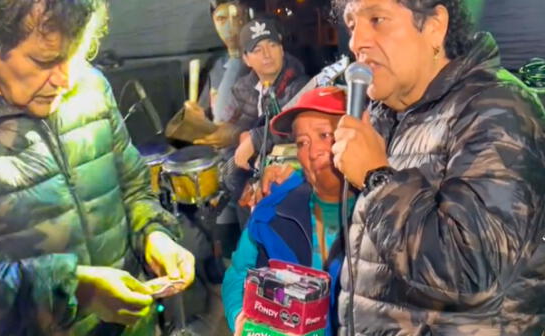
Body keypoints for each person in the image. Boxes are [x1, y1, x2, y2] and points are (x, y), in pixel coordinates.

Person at [0, 1, 195, 335]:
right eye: (45, 60)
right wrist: (73, 289)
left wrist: (153, 234)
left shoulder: (89, 85)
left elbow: (133, 189)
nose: (66, 78)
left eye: (77, 53)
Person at [328, 0, 545, 333]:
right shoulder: (390, 118)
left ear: (433, 26)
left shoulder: (498, 110)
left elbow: (470, 271)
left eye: (377, 19)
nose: (357, 42)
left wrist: (375, 178)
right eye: (352, 23)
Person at [222, 87, 354, 336]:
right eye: (302, 142)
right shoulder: (272, 210)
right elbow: (239, 273)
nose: (313, 152)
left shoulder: (384, 209)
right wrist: (241, 317)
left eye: (326, 135)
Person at [196, 17, 309, 215]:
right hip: (250, 183)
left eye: (272, 45)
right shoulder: (243, 89)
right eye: (257, 50)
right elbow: (234, 136)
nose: (267, 54)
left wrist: (255, 139)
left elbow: (298, 126)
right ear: (246, 59)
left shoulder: (301, 86)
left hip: (289, 186)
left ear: (282, 49)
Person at [183, 0, 250, 125]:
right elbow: (204, 112)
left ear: (245, 19)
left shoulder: (261, 62)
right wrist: (196, 115)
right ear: (214, 23)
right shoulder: (217, 67)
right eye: (222, 19)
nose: (230, 27)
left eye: (236, 17)